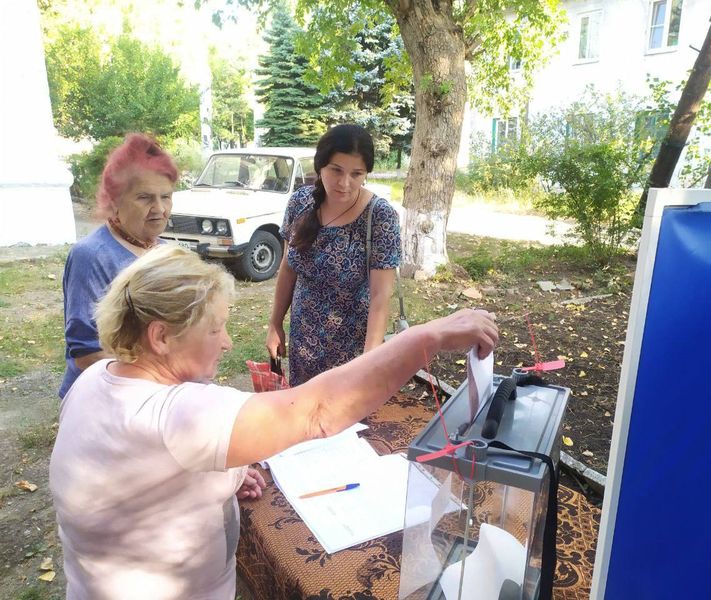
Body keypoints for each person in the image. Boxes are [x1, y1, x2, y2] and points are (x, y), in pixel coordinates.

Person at [49, 245, 498, 599]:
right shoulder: (178, 414)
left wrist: (220, 477)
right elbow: (317, 410)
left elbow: (147, 478)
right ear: (161, 336)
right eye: (214, 329)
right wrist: (428, 336)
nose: (226, 343)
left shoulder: (94, 380)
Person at [266, 124, 401, 385]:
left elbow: (380, 297)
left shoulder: (380, 217)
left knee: (346, 425)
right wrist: (275, 324)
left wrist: (368, 362)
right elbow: (288, 268)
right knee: (301, 419)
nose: (344, 183)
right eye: (336, 170)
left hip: (352, 352)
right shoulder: (300, 202)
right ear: (320, 166)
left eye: (357, 174)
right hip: (303, 342)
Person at [59, 133, 177, 399]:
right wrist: (157, 374)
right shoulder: (91, 256)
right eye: (145, 198)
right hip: (104, 399)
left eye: (166, 197)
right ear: (114, 201)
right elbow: (86, 353)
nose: (159, 208)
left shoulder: (167, 251)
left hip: (155, 391)